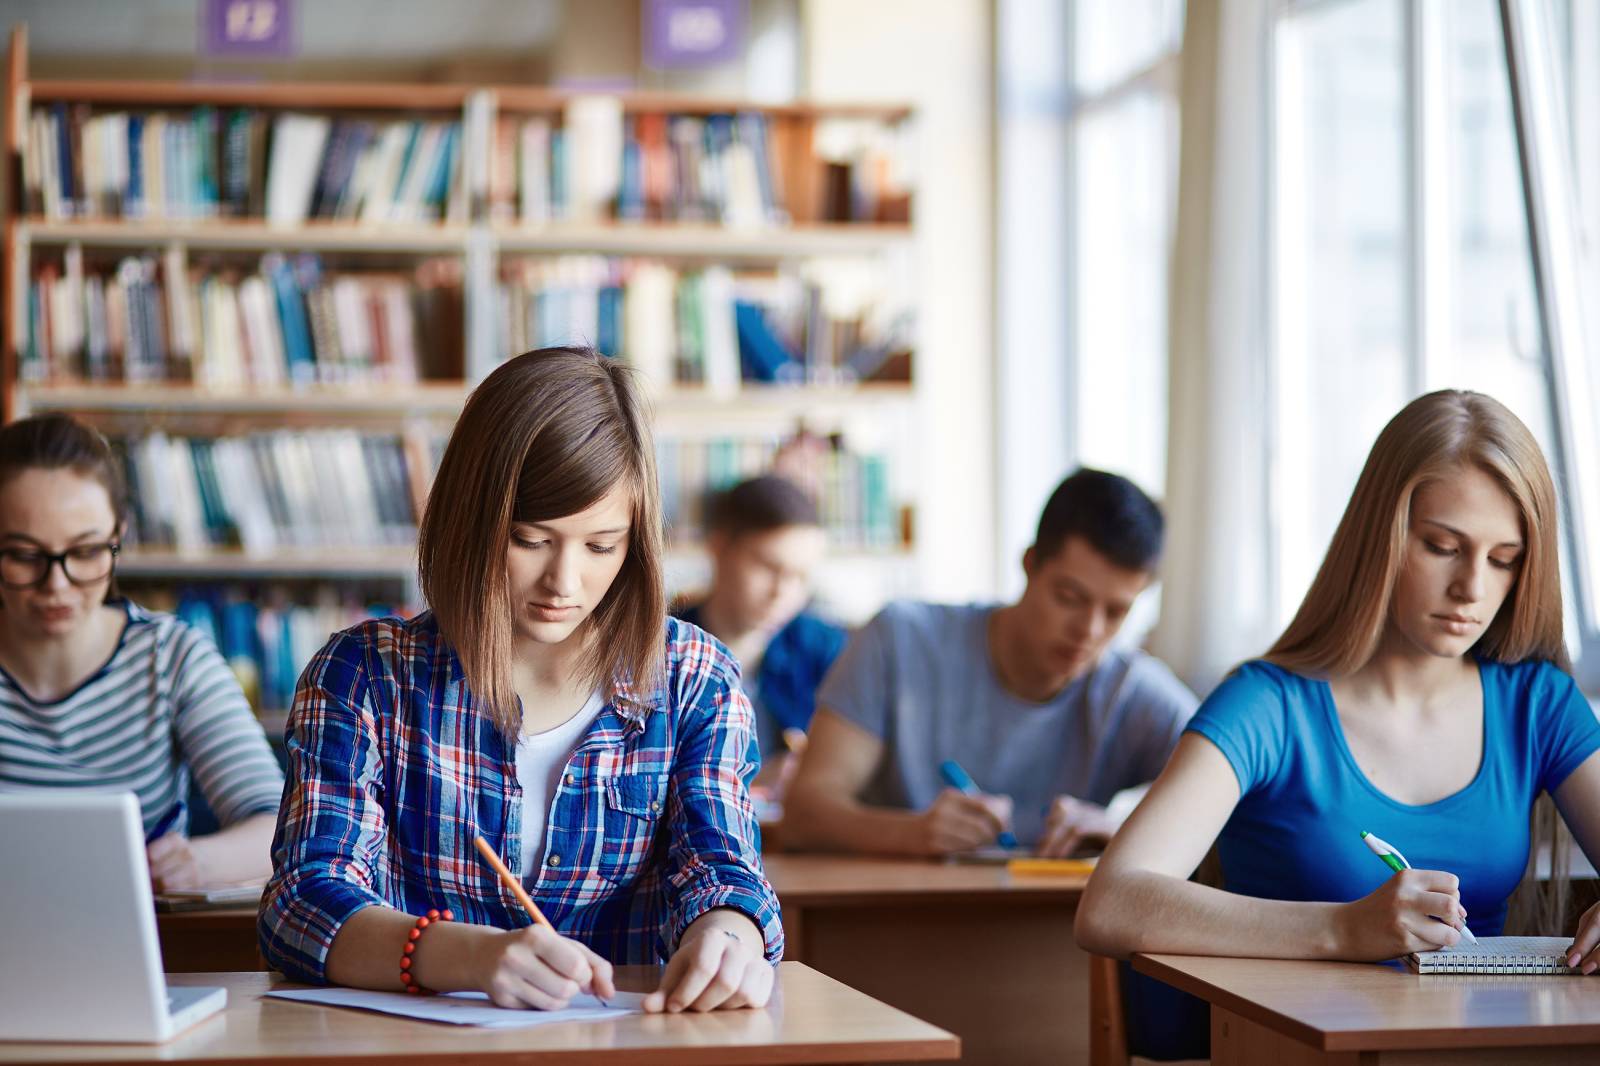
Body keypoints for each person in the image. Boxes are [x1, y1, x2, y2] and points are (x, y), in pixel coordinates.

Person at [259, 346, 783, 1014]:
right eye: (532, 539)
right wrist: (471, 956)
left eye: (601, 545)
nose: (564, 583)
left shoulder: (693, 678)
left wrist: (729, 935)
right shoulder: (366, 676)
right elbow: (303, 902)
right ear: (472, 525)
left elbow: (720, 869)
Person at [1076, 390, 1600, 978]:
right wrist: (1345, 928)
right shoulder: (1268, 705)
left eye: (1504, 559)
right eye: (1442, 547)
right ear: (1381, 537)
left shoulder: (1538, 704)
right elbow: (1110, 905)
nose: (1471, 589)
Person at [782, 467, 1197, 858]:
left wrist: (1121, 828)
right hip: (897, 919)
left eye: (1116, 612)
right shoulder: (901, 639)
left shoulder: (1132, 689)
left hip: (1053, 929)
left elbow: (1245, 801)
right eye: (1070, 598)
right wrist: (910, 833)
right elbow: (804, 813)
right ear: (1030, 564)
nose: (1089, 630)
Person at [0, 414, 283, 891]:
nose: (58, 585)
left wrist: (196, 863)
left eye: (86, 552)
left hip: (147, 945)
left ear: (119, 535)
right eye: (26, 556)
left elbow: (280, 828)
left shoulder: (172, 659)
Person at [672, 475, 847, 796]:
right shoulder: (660, 645)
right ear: (719, 547)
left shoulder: (826, 648)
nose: (783, 592)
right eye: (768, 566)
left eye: (800, 576)